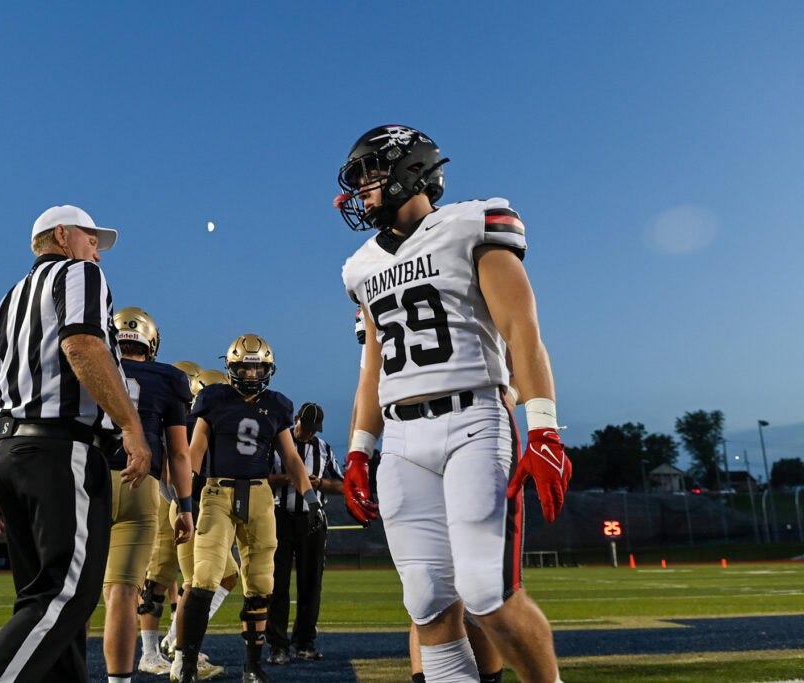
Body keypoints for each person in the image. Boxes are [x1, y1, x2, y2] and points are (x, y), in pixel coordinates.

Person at [336, 126, 571, 683]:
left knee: (488, 593)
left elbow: (522, 331)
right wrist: (358, 450)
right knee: (426, 600)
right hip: (401, 439)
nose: (361, 190)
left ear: (409, 170)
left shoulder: (473, 224)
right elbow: (373, 368)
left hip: (474, 419)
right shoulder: (360, 267)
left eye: (370, 174)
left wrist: (543, 427)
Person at [0, 204, 152, 683]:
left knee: (45, 605)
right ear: (63, 236)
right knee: (67, 595)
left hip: (11, 453)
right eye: (92, 241)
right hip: (61, 451)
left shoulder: (6, 303)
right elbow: (81, 345)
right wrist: (130, 425)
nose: (98, 255)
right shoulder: (78, 275)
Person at [178, 335, 325, 683]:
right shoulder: (213, 398)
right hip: (217, 491)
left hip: (259, 495)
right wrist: (188, 498)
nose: (251, 373)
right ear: (231, 367)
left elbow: (291, 458)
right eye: (244, 366)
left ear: (268, 368)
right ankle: (185, 665)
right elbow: (195, 450)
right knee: (204, 577)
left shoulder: (277, 405)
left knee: (261, 583)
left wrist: (312, 500)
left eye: (257, 366)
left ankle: (252, 665)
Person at [102, 307, 195, 683]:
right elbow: (180, 453)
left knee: (70, 591)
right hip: (140, 484)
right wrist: (185, 508)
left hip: (87, 481)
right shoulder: (169, 378)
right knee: (124, 592)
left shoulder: (95, 364)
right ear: (151, 343)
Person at [166, 366, 235, 682]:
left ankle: (177, 639)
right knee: (196, 584)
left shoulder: (194, 421)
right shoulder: (199, 425)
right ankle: (182, 657)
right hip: (194, 508)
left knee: (228, 577)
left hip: (194, 507)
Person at [265, 402, 343, 664]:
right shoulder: (277, 443)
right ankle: (278, 646)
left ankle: (304, 642)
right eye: (306, 427)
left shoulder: (324, 449)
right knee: (277, 583)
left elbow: (341, 485)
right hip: (280, 518)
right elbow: (262, 478)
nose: (309, 433)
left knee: (311, 584)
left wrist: (318, 483)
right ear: (296, 419)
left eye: (313, 430)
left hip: (312, 521)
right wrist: (289, 478)